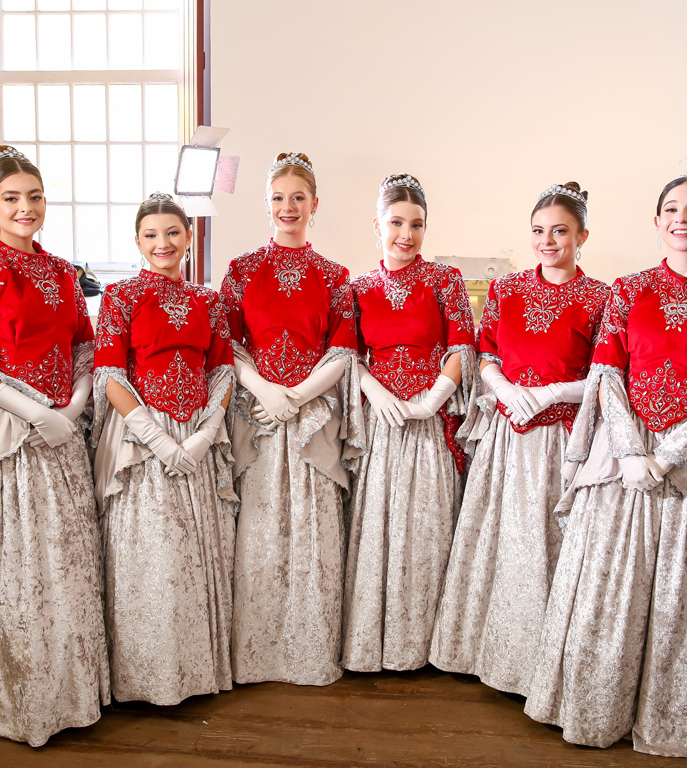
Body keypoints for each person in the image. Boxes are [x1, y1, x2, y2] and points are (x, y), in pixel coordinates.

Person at [524, 171, 687, 758]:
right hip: (624, 455)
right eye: (672, 209)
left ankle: (680, 718)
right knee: (609, 587)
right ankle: (597, 709)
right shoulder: (629, 290)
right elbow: (608, 375)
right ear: (657, 222)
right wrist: (633, 450)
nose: (683, 218)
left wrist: (666, 455)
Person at [0, 145, 109, 746]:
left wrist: (74, 407)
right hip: (11, 434)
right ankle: (24, 686)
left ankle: (74, 685)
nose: (25, 208)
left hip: (63, 426)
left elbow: (84, 346)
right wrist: (34, 412)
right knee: (25, 558)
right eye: (11, 198)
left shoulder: (63, 271)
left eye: (34, 197)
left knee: (69, 555)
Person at [430, 182, 609, 695]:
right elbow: (486, 354)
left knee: (544, 543)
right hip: (507, 433)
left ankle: (541, 667)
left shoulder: (602, 297)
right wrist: (507, 389)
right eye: (538, 231)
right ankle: (484, 652)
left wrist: (551, 392)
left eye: (559, 231)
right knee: (499, 539)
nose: (547, 241)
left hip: (560, 438)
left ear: (582, 236)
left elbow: (606, 373)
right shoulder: (506, 290)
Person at [220, 152, 364, 686]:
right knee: (259, 533)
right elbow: (227, 342)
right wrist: (264, 390)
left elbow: (343, 350)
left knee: (312, 534)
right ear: (267, 203)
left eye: (297, 198)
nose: (288, 207)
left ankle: (309, 651)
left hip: (312, 417)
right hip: (258, 415)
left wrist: (298, 396)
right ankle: (255, 655)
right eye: (279, 197)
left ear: (314, 204)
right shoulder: (241, 270)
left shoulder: (334, 276)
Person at [91, 192, 237, 705]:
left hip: (196, 432)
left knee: (194, 553)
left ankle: (195, 670)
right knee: (150, 554)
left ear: (188, 237)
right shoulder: (120, 297)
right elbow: (109, 374)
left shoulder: (209, 300)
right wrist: (155, 438)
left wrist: (204, 434)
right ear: (137, 241)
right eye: (151, 235)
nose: (163, 243)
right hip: (141, 437)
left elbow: (222, 370)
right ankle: (144, 676)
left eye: (173, 232)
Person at [343, 174, 476, 673]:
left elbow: (463, 346)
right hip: (381, 422)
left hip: (428, 422)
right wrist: (376, 392)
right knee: (378, 528)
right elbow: (348, 354)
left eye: (416, 225)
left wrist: (431, 401)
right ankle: (371, 643)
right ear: (377, 225)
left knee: (424, 529)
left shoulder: (445, 280)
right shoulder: (358, 288)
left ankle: (422, 645)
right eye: (396, 223)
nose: (406, 234)